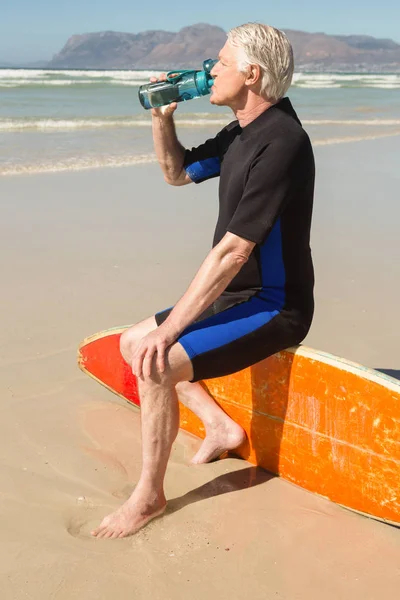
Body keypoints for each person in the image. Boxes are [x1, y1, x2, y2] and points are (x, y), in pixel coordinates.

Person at [91, 22, 315, 539]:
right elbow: (178, 173)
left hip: (274, 304)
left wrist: (169, 332)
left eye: (220, 62)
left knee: (155, 360)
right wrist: (161, 120)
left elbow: (234, 251)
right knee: (132, 343)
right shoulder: (243, 131)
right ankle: (220, 426)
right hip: (239, 294)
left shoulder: (282, 140)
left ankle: (148, 497)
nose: (210, 70)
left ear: (252, 74)